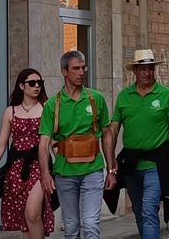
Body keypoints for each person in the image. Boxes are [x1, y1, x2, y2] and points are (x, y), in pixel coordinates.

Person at [107, 49, 169, 239]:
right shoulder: (124, 96)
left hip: (155, 165)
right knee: (140, 212)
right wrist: (111, 165)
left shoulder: (166, 95)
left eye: (150, 69)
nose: (147, 73)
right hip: (131, 165)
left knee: (149, 210)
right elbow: (113, 130)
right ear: (134, 70)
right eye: (142, 69)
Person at [37, 51, 115, 239]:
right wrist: (45, 174)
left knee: (90, 224)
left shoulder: (95, 98)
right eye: (76, 68)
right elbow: (44, 142)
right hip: (65, 172)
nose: (81, 72)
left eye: (83, 68)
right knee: (71, 227)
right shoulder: (52, 105)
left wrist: (111, 169)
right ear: (64, 71)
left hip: (93, 170)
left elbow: (107, 134)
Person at [0, 68, 55, 237]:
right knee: (24, 219)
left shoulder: (46, 109)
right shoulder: (10, 111)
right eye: (32, 83)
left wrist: (57, 169)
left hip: (38, 166)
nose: (37, 86)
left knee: (33, 213)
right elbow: (1, 145)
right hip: (16, 169)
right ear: (21, 86)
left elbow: (52, 143)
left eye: (40, 83)